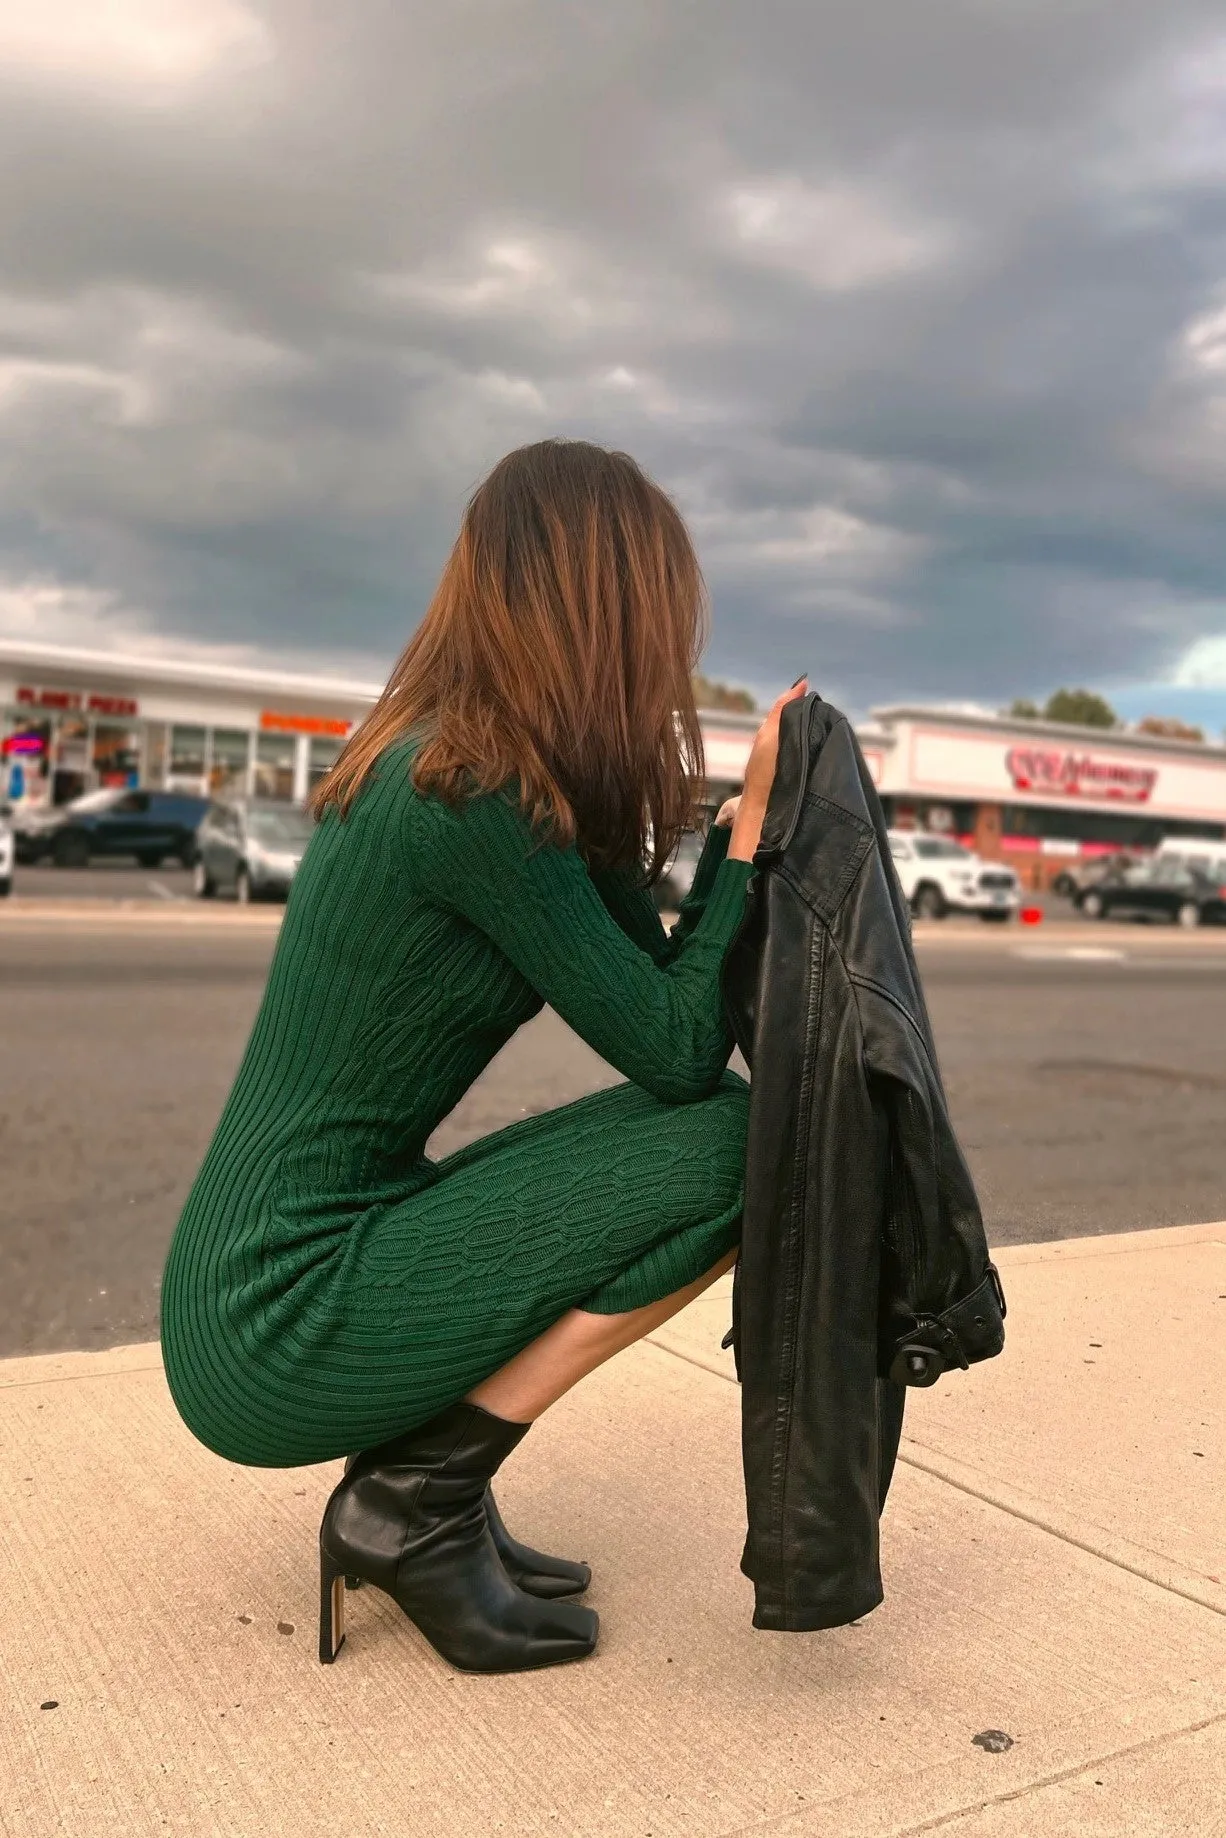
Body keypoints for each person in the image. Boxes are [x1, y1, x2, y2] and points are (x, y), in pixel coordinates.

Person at [160, 438, 805, 1676]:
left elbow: (667, 997)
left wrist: (721, 847)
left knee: (710, 1129)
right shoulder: (465, 798)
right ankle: (418, 1494)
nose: (677, 651)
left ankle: (426, 1482)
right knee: (730, 1137)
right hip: (274, 1309)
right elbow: (679, 1048)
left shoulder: (477, 773)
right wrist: (749, 848)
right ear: (603, 610)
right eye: (664, 616)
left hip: (299, 1251)